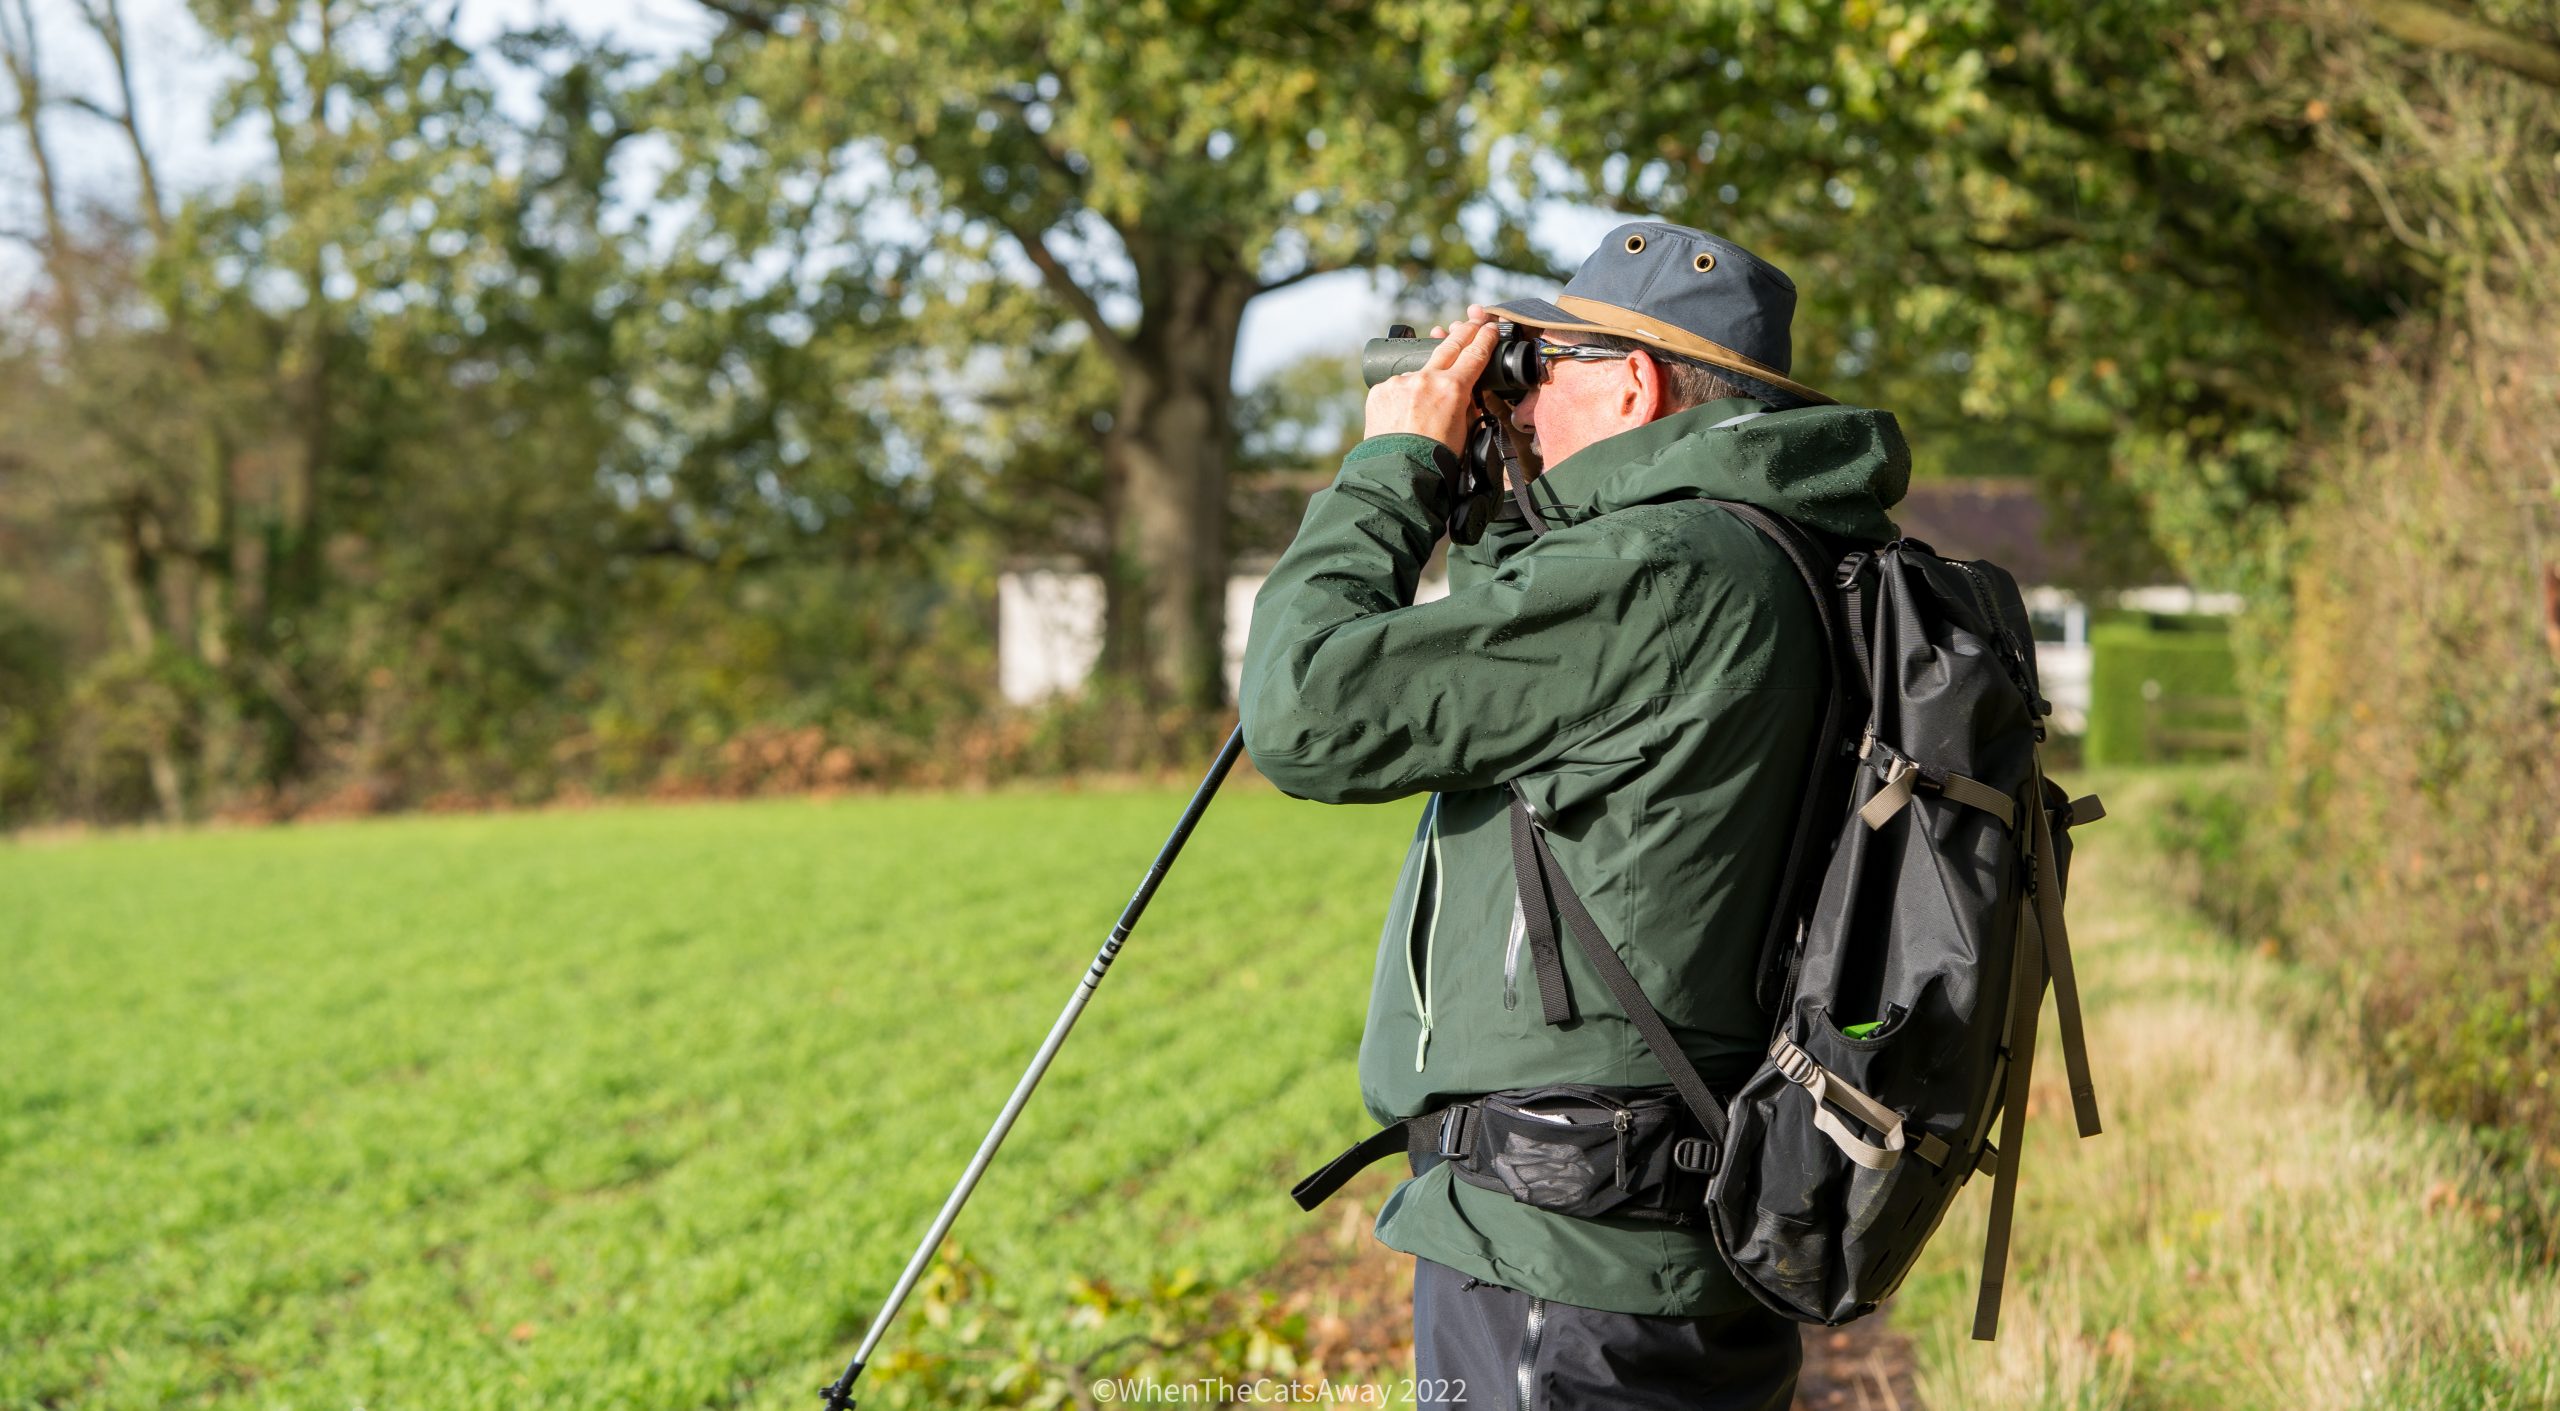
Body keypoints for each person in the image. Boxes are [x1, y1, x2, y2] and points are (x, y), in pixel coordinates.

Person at [1237, 220, 1912, 1409]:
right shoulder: (1778, 555)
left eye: (1542, 369)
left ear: (1634, 384)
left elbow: (1306, 713)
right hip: (1670, 1222)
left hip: (1566, 1266)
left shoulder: (1665, 568)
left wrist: (1391, 467)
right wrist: (1502, 495)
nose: (1521, 401)